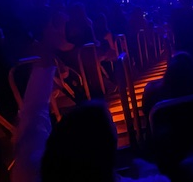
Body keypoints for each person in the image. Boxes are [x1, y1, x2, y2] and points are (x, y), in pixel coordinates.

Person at [10, 16, 169, 182]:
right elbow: (34, 116)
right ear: (110, 151)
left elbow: (33, 117)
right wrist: (145, 167)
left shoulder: (31, 172)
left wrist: (44, 64)